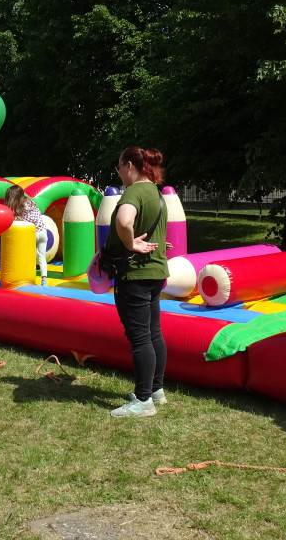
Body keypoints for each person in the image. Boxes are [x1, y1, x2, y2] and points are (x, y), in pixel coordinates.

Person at [103, 146, 169, 418]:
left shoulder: (133, 191)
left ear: (129, 166)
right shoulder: (156, 192)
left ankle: (143, 401)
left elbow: (124, 220)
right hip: (155, 273)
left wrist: (129, 244)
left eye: (119, 168)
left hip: (136, 275)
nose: (119, 174)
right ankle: (156, 390)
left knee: (140, 337)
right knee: (154, 334)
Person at [4, 184, 48, 286]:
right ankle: (44, 279)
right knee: (42, 257)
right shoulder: (31, 202)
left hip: (31, 233)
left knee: (26, 256)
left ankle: (25, 277)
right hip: (43, 232)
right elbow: (35, 216)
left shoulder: (21, 206)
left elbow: (23, 220)